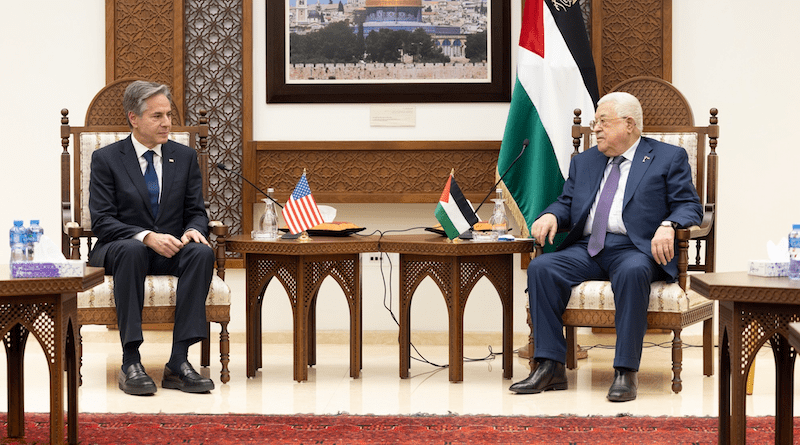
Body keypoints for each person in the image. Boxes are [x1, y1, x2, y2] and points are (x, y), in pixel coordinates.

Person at [509, 92, 702, 402]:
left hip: (634, 249)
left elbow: (690, 206)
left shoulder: (668, 157)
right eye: (594, 122)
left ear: (629, 124)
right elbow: (567, 202)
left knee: (632, 271)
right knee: (542, 267)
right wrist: (550, 214)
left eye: (602, 121)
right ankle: (550, 365)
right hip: (588, 247)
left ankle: (626, 371)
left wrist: (669, 225)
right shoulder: (585, 161)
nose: (595, 128)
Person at [89, 80, 216, 396]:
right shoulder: (106, 159)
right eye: (157, 116)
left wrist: (192, 231)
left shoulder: (184, 157)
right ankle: (131, 360)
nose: (167, 123)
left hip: (168, 249)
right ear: (134, 118)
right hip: (119, 248)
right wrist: (146, 237)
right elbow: (103, 221)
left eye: (169, 115)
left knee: (201, 253)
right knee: (132, 250)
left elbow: (196, 211)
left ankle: (179, 362)